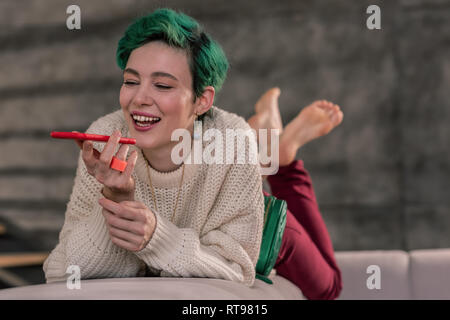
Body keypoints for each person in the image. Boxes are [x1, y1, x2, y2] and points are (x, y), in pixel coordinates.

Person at [44, 8, 265, 287]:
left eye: (161, 85)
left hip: (267, 221)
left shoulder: (234, 141)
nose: (139, 98)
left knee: (321, 277)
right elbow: (59, 271)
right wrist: (115, 199)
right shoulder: (103, 135)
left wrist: (156, 238)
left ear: (202, 101)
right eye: (131, 81)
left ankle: (283, 146)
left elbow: (238, 270)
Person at [248, 88, 344, 300]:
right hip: (252, 217)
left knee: (331, 285)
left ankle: (277, 155)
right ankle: (277, 156)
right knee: (330, 288)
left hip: (252, 215)